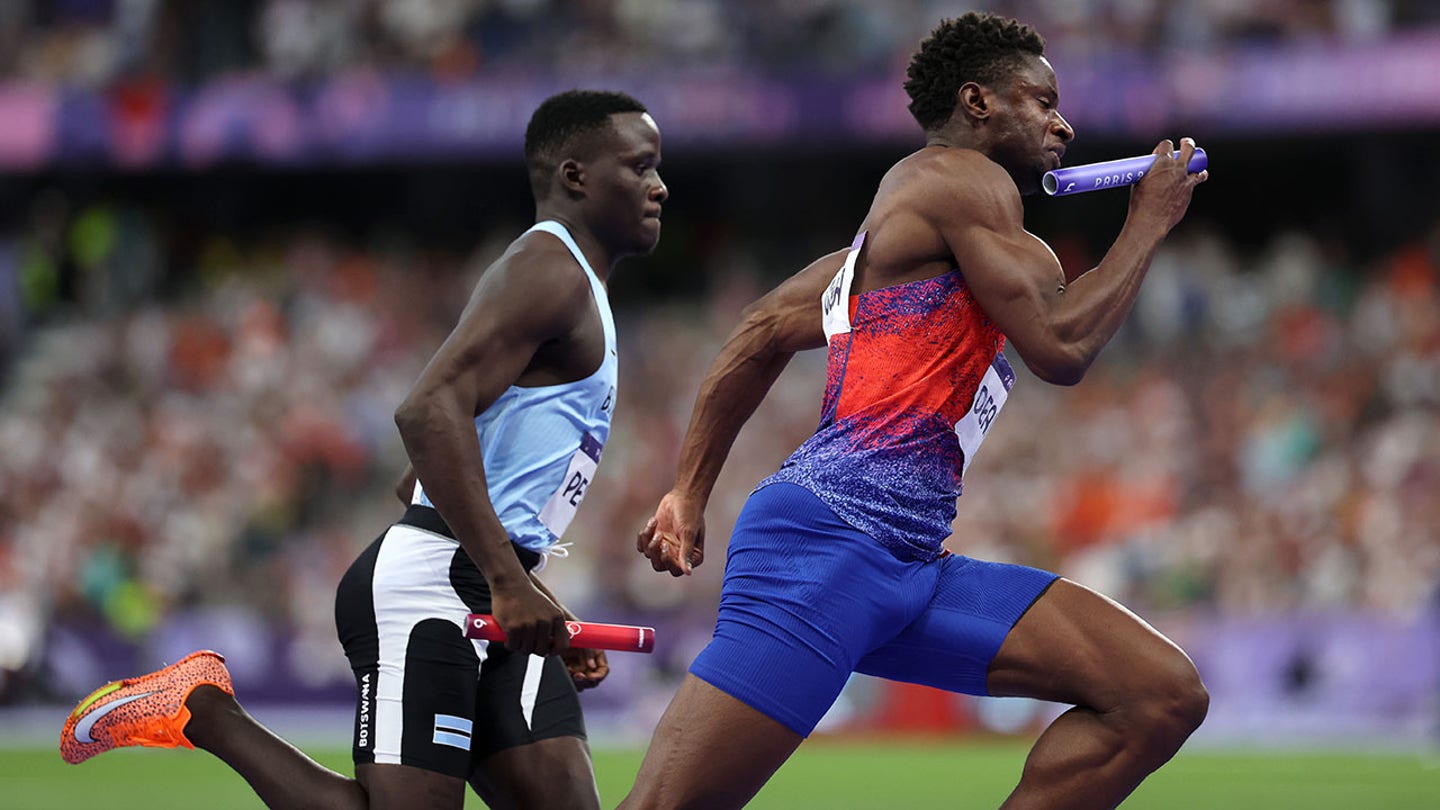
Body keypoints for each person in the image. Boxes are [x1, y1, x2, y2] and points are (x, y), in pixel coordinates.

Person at [623, 12, 1209, 810]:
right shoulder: (952, 181)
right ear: (977, 102)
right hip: (825, 547)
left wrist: (690, 494)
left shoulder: (894, 252)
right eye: (1042, 100)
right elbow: (1061, 350)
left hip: (910, 565)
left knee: (1159, 693)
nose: (1063, 123)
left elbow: (756, 334)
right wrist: (1148, 219)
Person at [59, 88, 669, 810]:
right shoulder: (549, 271)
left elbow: (423, 475)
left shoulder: (579, 289)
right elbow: (425, 412)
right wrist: (508, 582)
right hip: (433, 588)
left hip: (491, 586)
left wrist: (527, 589)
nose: (659, 185)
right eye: (640, 166)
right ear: (575, 176)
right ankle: (201, 709)